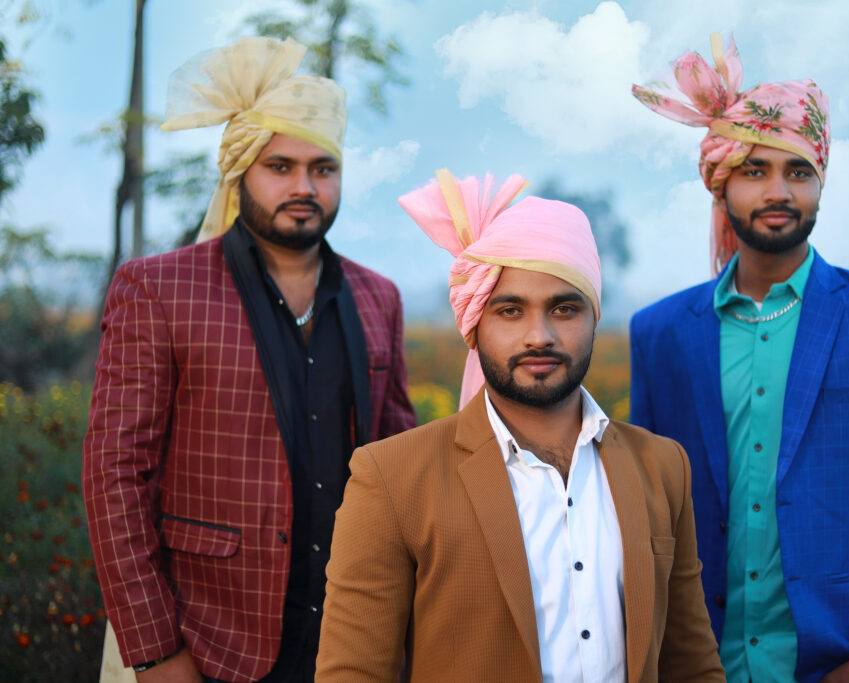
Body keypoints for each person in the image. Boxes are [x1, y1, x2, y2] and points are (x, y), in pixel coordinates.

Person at [82, 37, 416, 682]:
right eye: (280, 165)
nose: (304, 186)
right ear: (240, 170)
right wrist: (154, 652)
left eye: (323, 168)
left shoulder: (379, 298)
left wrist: (402, 632)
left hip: (346, 643)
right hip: (209, 641)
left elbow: (401, 473)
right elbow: (114, 475)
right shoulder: (159, 288)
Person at [628, 35, 849, 683]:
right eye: (755, 170)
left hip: (847, 662)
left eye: (798, 172)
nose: (778, 190)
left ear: (820, 184)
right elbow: (650, 517)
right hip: (702, 663)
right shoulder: (660, 333)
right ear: (720, 183)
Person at [314, 169, 725, 682]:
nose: (539, 335)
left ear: (593, 317)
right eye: (510, 310)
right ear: (474, 325)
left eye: (564, 308)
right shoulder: (393, 477)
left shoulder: (662, 466)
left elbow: (692, 663)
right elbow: (353, 672)